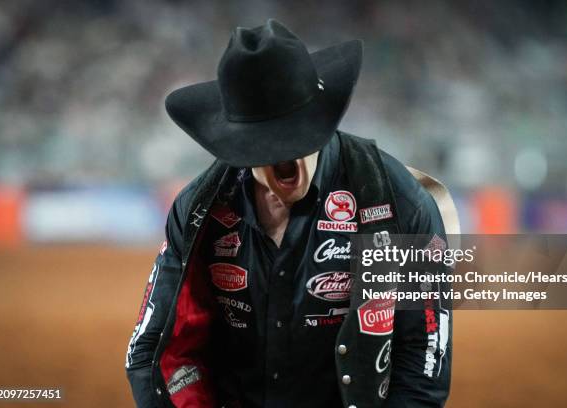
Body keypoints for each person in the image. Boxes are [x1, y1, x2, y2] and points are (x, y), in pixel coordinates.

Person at [125, 19, 455, 408]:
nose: (287, 150)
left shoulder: (402, 203)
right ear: (237, 145)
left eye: (297, 132)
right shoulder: (198, 209)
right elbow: (152, 349)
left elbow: (424, 359)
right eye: (268, 142)